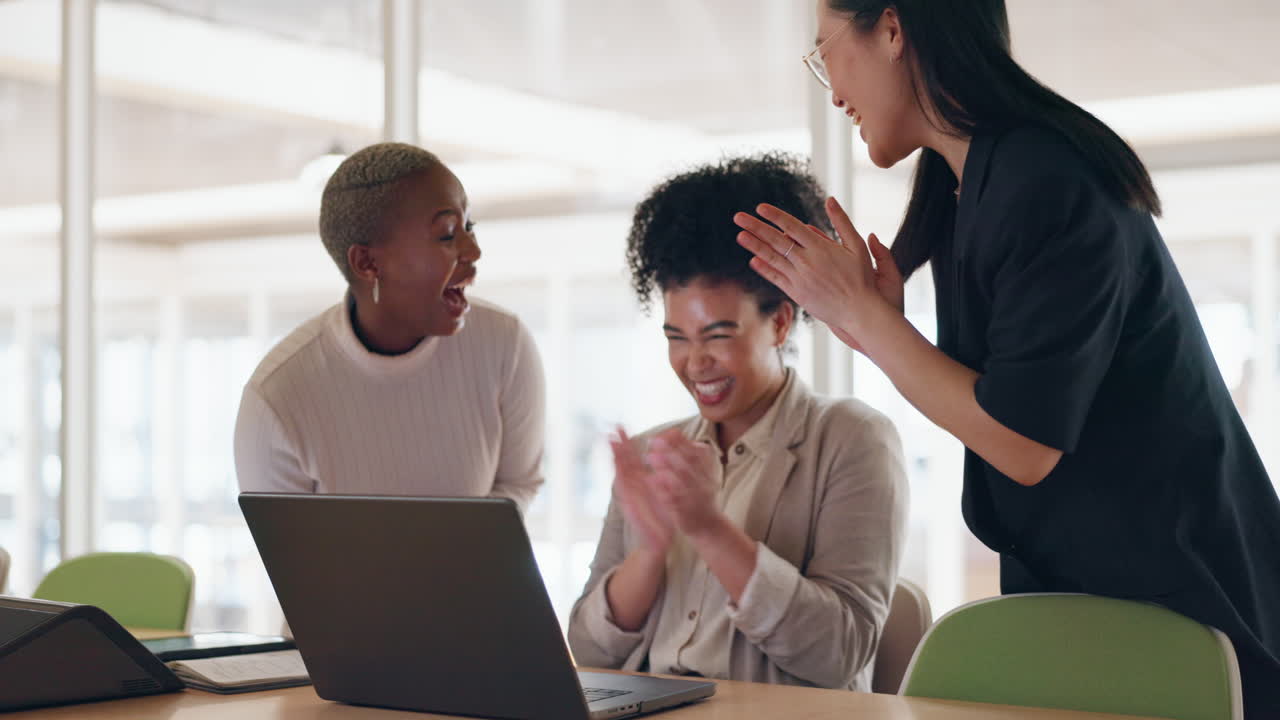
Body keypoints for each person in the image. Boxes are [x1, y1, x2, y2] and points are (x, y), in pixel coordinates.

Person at [734, 1, 1280, 712]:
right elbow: (991, 414)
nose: (832, 89)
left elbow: (1024, 443)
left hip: (1184, 612)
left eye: (824, 51)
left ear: (893, 30)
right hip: (1101, 606)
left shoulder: (1045, 180)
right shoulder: (969, 186)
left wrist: (867, 320)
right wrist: (874, 327)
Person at [567, 154, 908, 691]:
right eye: (676, 339)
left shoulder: (850, 439)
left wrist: (708, 528)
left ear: (779, 321)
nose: (694, 362)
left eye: (718, 336)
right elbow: (585, 651)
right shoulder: (650, 452)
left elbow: (839, 653)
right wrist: (650, 551)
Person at [234, 142, 545, 512]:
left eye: (468, 227)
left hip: (473, 573)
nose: (473, 250)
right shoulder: (277, 398)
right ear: (367, 263)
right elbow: (292, 562)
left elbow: (518, 485)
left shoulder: (504, 345)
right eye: (447, 234)